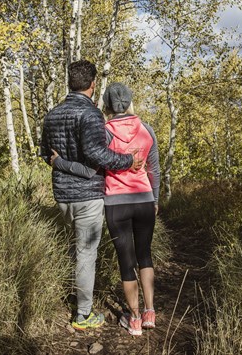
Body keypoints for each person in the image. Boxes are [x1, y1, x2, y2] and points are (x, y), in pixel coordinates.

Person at [51, 82, 161, 336]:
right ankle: (150, 312)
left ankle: (133, 319)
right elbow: (153, 169)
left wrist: (61, 162)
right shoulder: (147, 130)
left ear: (107, 105)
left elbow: (94, 167)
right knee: (145, 255)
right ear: (130, 101)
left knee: (126, 260)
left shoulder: (104, 132)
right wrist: (154, 199)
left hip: (116, 203)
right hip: (144, 199)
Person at [41, 61, 141, 331]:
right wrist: (128, 160)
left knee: (75, 250)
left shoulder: (51, 115)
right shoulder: (92, 114)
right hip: (87, 195)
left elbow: (46, 156)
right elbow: (98, 155)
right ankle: (83, 314)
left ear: (69, 82)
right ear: (93, 84)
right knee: (86, 254)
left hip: (62, 195)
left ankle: (76, 301)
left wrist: (64, 164)